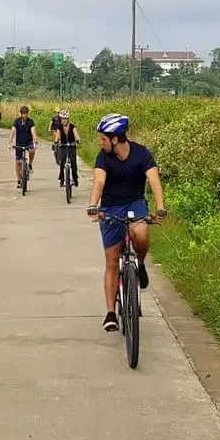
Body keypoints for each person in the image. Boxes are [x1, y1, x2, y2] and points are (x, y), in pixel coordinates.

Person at [86, 113, 166, 332]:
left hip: (135, 202)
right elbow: (99, 181)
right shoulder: (103, 157)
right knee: (112, 261)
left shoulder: (141, 154)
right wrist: (93, 205)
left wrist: (160, 207)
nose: (100, 142)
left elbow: (154, 180)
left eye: (103, 138)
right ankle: (111, 313)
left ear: (115, 139)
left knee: (141, 233)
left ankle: (139, 264)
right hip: (110, 207)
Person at [10, 105, 39, 187]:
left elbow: (33, 132)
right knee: (18, 162)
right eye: (23, 114)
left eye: (26, 114)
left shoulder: (30, 121)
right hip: (19, 143)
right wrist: (10, 142)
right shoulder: (17, 121)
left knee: (32, 151)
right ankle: (19, 180)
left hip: (28, 142)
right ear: (21, 114)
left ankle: (29, 164)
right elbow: (13, 131)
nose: (25, 115)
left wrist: (35, 142)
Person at [51, 109, 81, 187]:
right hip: (63, 146)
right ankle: (62, 179)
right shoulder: (59, 127)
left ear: (68, 119)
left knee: (74, 163)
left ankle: (75, 178)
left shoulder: (72, 126)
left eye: (65, 119)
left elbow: (76, 134)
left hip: (72, 146)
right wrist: (56, 141)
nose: (63, 120)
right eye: (62, 119)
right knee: (62, 162)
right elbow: (57, 135)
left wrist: (78, 140)